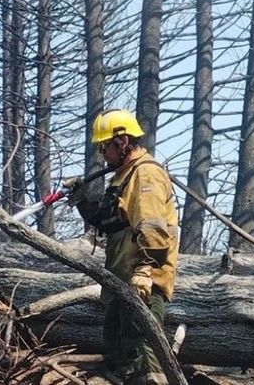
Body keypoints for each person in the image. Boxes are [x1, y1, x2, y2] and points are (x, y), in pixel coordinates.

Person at [65, 109, 178, 384]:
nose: (102, 153)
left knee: (145, 361)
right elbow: (110, 221)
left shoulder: (146, 175)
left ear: (122, 141)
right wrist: (82, 200)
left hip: (142, 285)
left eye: (104, 146)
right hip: (122, 282)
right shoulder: (123, 176)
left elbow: (153, 228)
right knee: (119, 357)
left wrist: (145, 269)